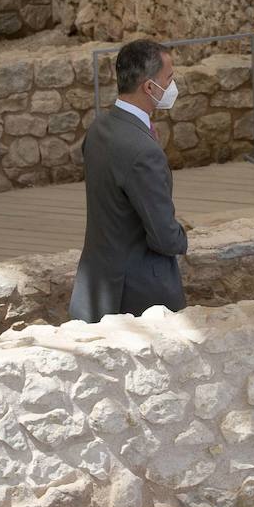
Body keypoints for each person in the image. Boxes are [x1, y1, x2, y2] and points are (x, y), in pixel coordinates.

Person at [69, 38, 189, 322]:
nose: (172, 86)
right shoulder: (143, 151)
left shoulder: (99, 128)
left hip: (96, 283)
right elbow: (164, 237)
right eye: (169, 78)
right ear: (149, 87)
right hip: (138, 293)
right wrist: (182, 236)